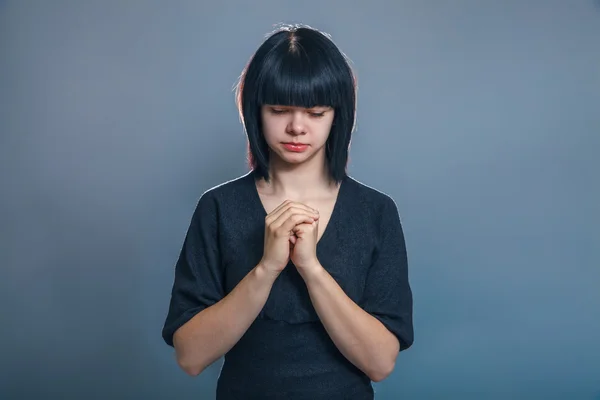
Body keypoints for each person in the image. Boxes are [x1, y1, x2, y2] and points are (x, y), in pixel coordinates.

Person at [162, 24, 413, 400]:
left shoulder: (375, 213)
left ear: (337, 116)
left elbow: (380, 363)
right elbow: (191, 357)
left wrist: (311, 269)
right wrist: (266, 268)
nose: (296, 127)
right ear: (255, 111)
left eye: (315, 112)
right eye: (279, 110)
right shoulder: (218, 209)